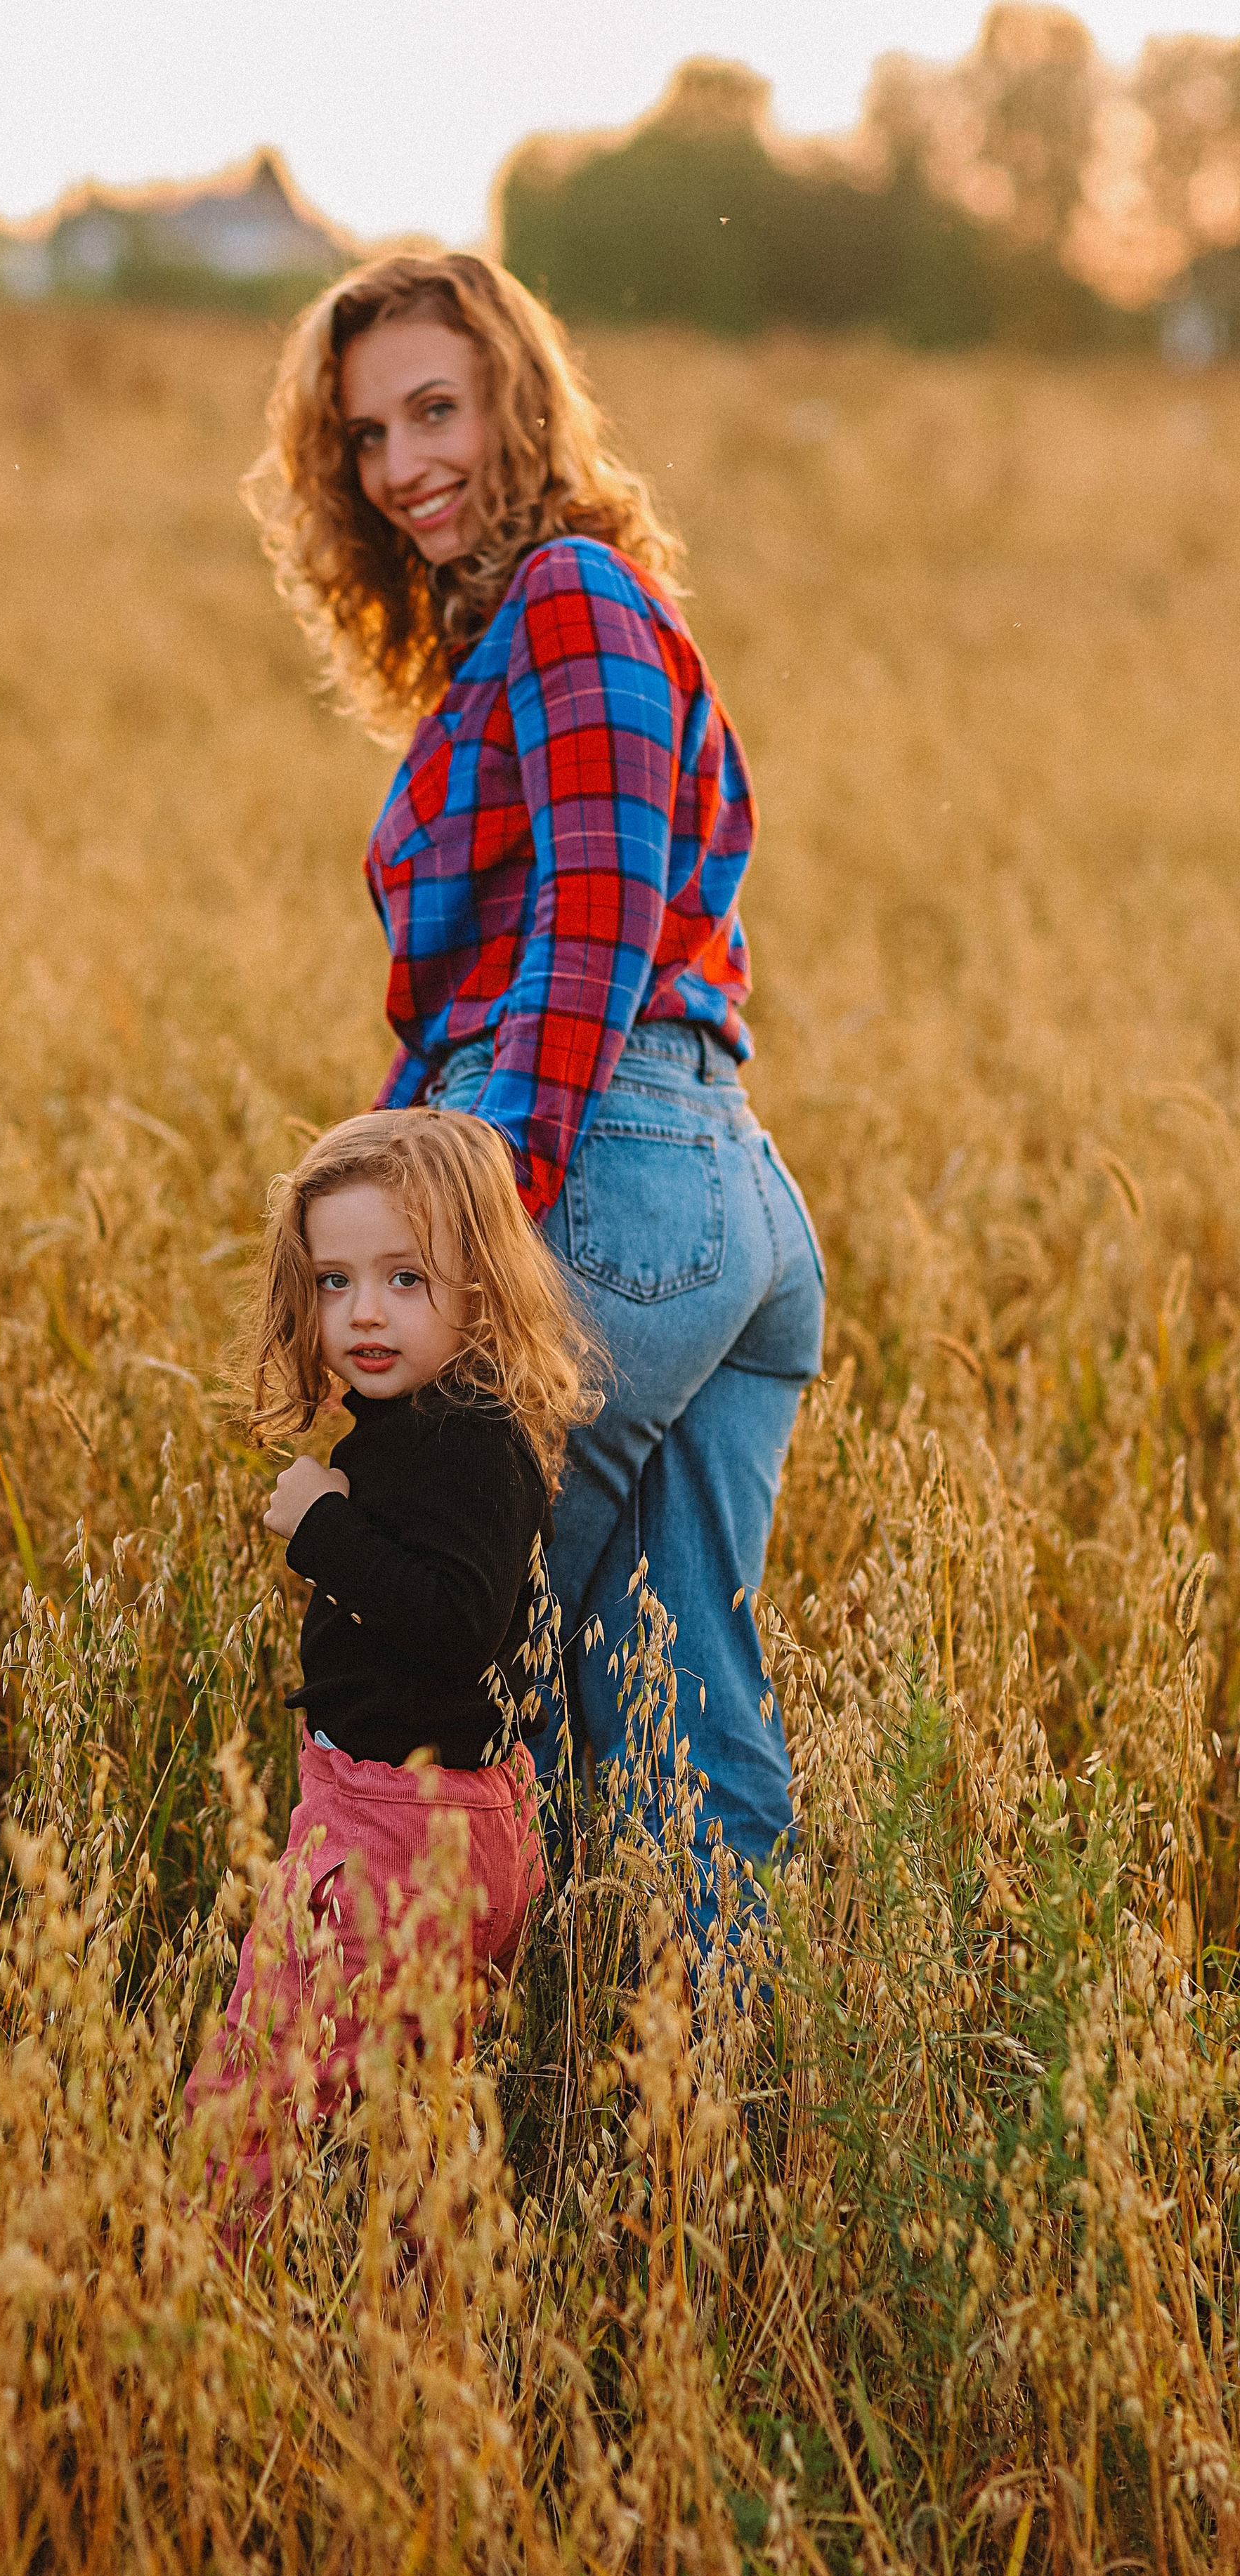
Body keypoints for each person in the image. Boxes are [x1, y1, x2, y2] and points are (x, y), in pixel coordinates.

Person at [244, 251, 826, 1919]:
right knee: (676, 1701)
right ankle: (702, 2116)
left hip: (595, 1166)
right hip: (713, 1187)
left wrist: (452, 1213)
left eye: (437, 407)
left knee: (443, 1680)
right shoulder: (523, 631)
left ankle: (375, 2085)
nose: (402, 462)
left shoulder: (568, 598)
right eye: (364, 435)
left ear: (517, 398)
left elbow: (590, 923)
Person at [184, 1107, 599, 2203]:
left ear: (482, 1286)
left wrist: (324, 1525)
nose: (364, 1312)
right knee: (411, 2108)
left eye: (406, 1279)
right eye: (333, 1282)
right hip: (455, 1820)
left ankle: (210, 2283)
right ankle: (414, 2325)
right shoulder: (448, 1417)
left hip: (398, 1832)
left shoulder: (465, 1440)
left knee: (263, 2089)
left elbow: (452, 1621)